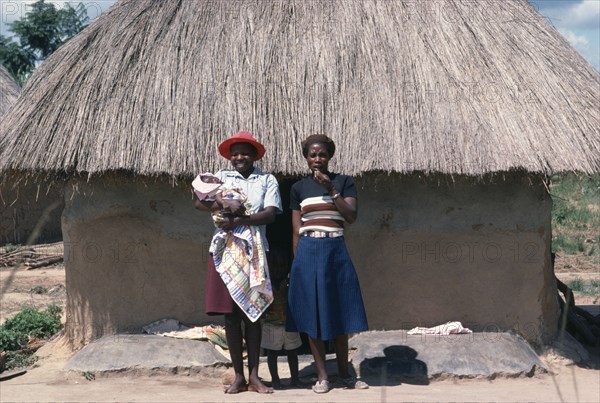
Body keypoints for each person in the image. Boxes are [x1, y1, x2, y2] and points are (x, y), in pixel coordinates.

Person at [194, 131, 282, 394]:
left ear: (255, 155)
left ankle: (255, 376)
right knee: (230, 316)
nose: (239, 157)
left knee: (253, 314)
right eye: (235, 153)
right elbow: (198, 201)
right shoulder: (220, 178)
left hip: (254, 252)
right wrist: (219, 202)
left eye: (245, 152)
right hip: (225, 253)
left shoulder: (267, 179)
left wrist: (240, 220)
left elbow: (270, 214)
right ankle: (238, 377)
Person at [286, 134, 369, 394]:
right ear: (306, 158)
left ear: (330, 156)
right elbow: (296, 230)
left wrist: (331, 189)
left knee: (340, 311)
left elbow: (351, 216)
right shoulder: (298, 188)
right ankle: (322, 376)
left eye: (322, 154)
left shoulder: (344, 182)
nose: (318, 159)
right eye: (313, 155)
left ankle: (344, 374)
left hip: (335, 251)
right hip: (308, 252)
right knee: (312, 314)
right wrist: (297, 263)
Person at [260, 246, 303, 390]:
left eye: (283, 266)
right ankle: (275, 379)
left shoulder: (290, 282)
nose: (279, 269)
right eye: (275, 266)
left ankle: (295, 379)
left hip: (290, 324)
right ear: (269, 266)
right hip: (271, 325)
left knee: (292, 352)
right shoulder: (266, 284)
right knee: (272, 353)